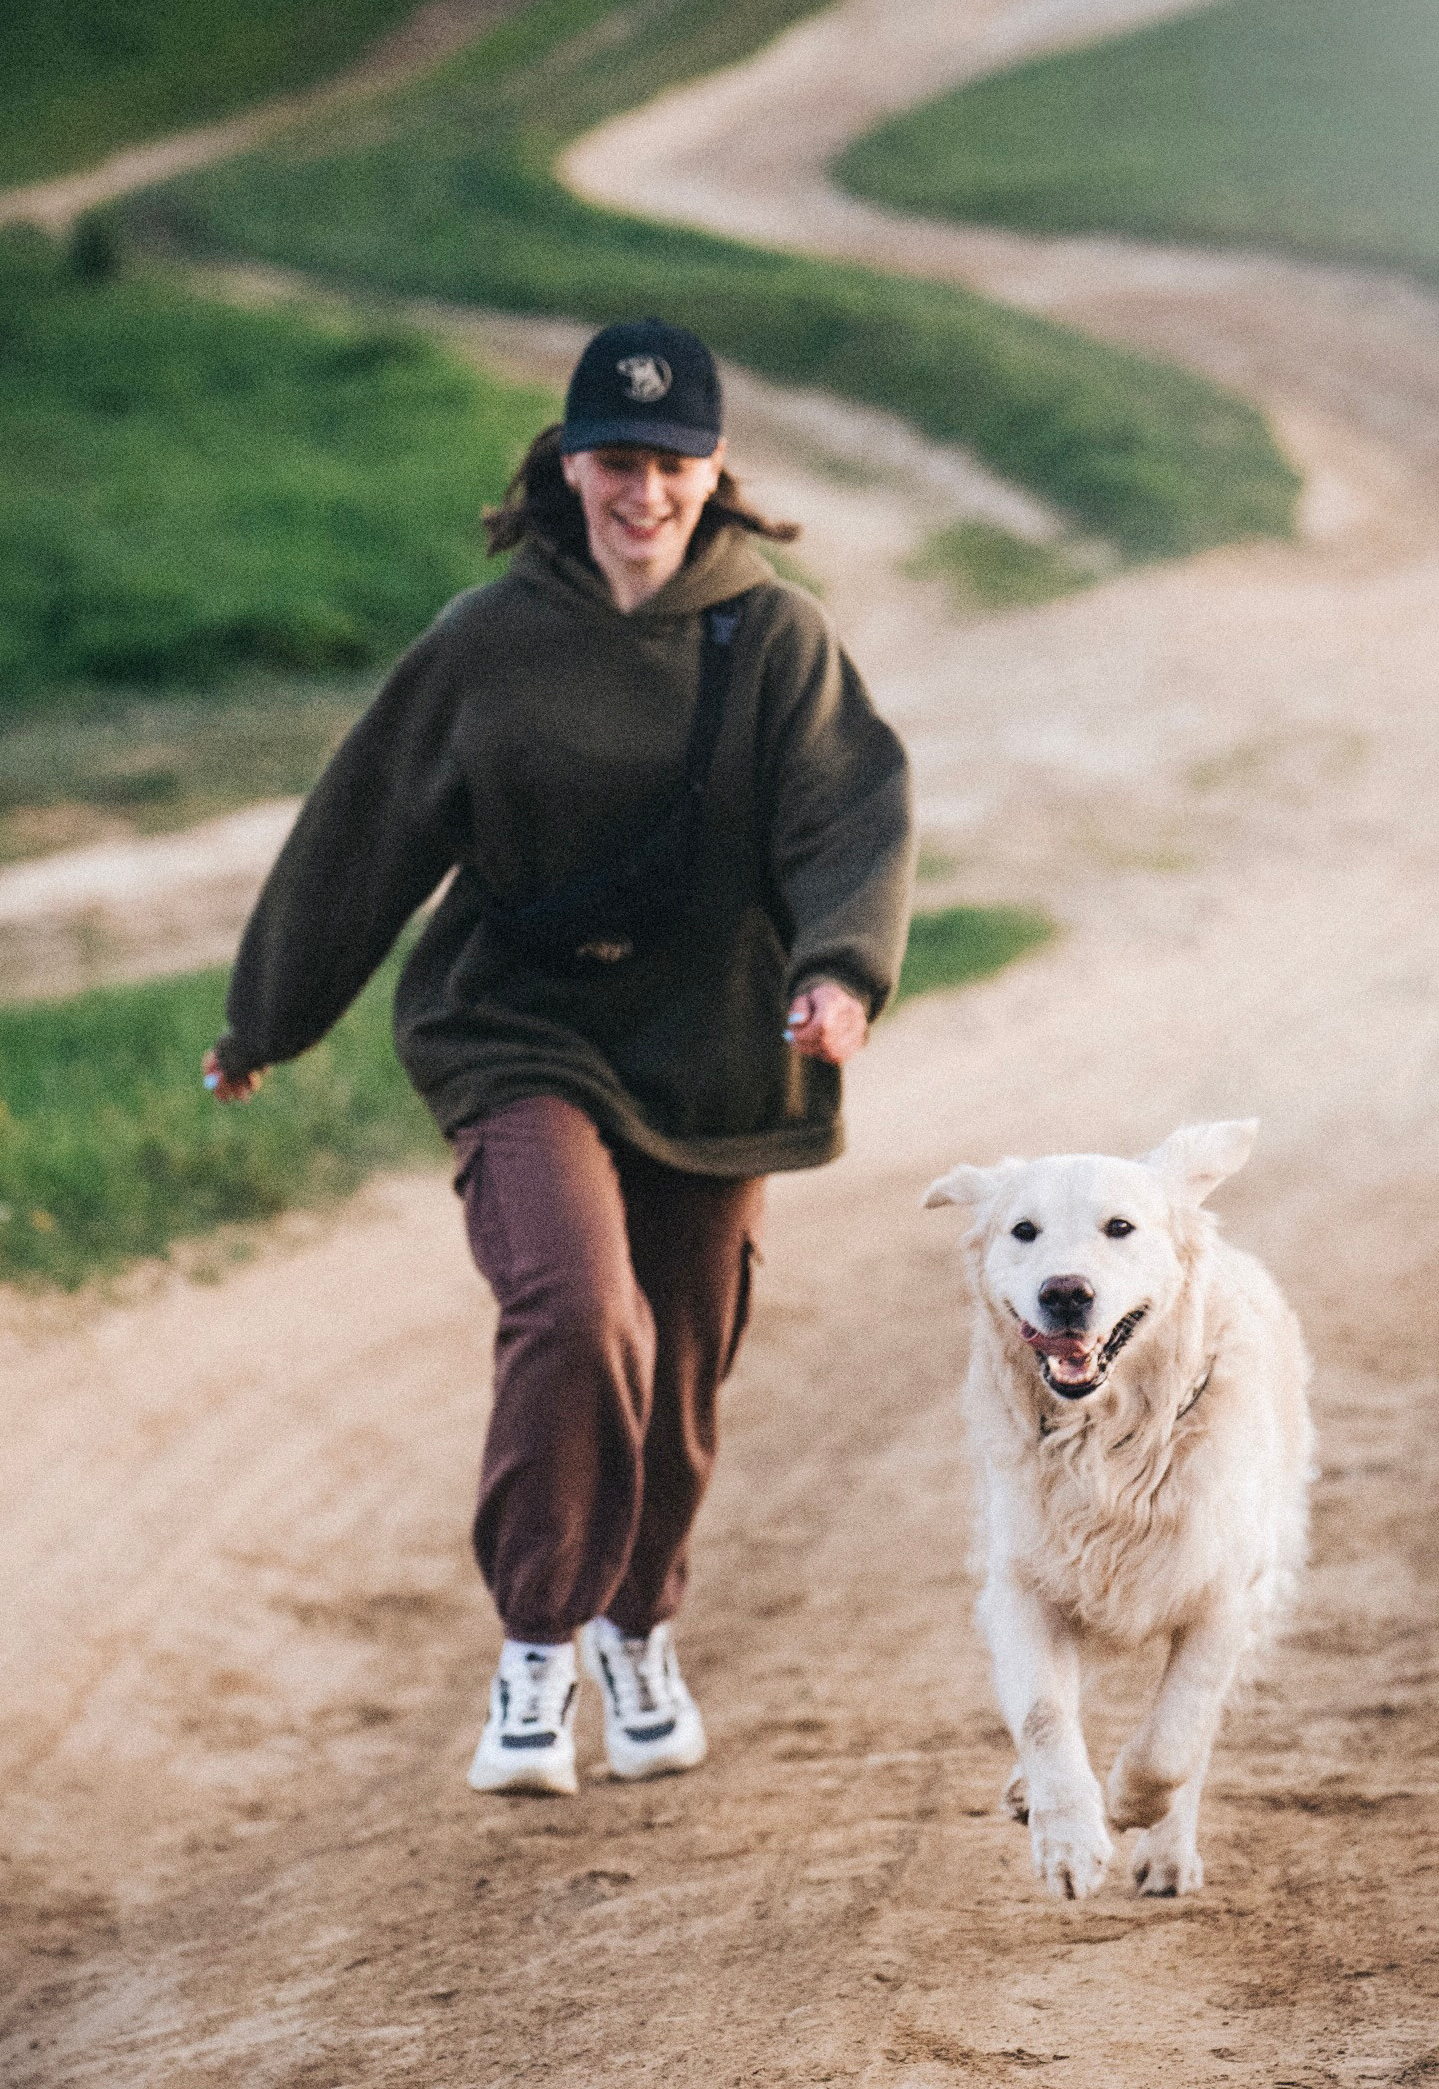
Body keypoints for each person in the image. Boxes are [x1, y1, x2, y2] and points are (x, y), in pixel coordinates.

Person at [204, 318, 913, 1796]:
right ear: (567, 461)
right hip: (515, 1023)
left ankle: (635, 1629)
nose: (641, 490)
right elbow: (367, 830)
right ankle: (536, 1653)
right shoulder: (488, 642)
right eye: (615, 458)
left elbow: (849, 817)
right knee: (580, 1311)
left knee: (683, 1370)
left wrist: (842, 974)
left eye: (671, 460)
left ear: (714, 469)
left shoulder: (775, 637)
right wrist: (265, 1018)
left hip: (714, 1046)